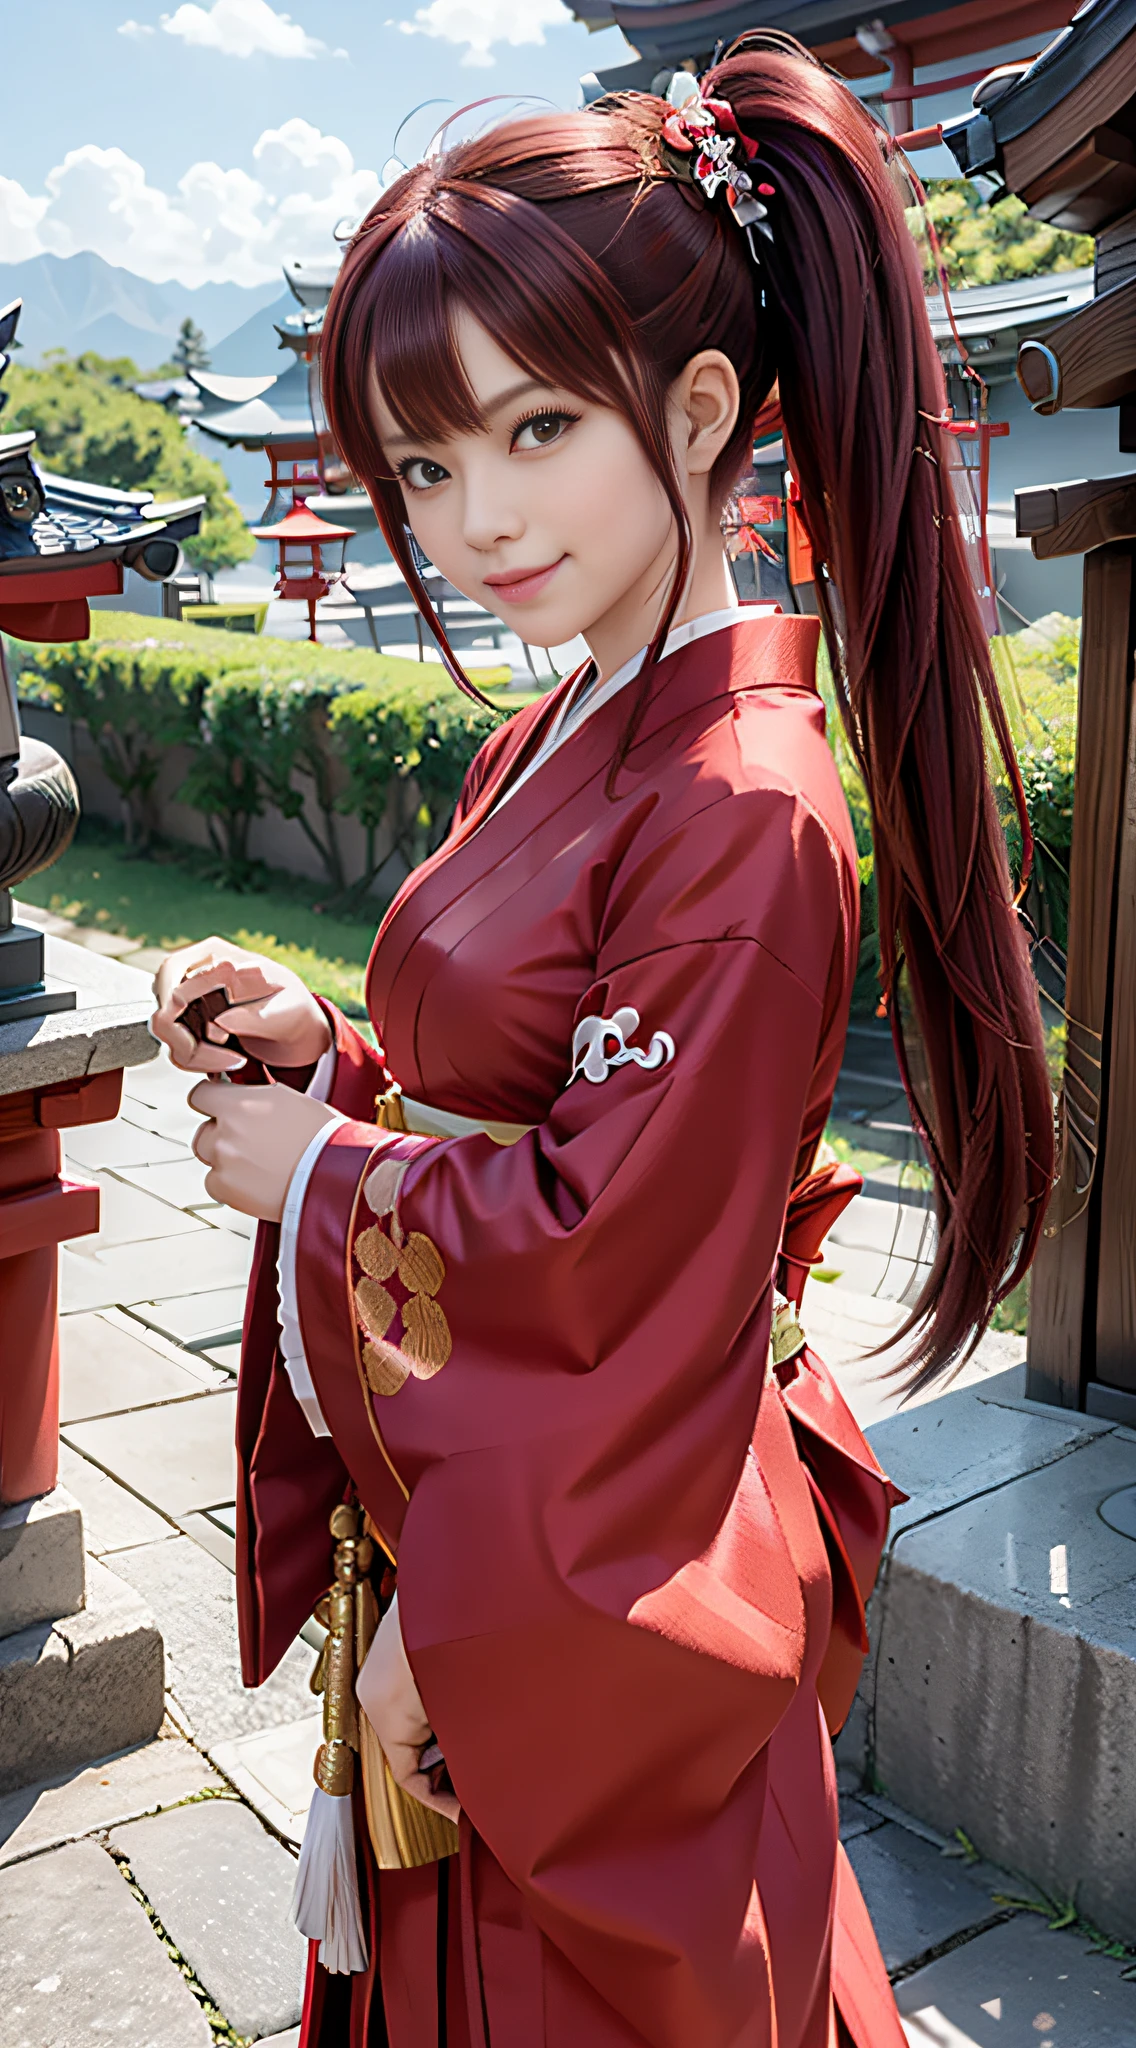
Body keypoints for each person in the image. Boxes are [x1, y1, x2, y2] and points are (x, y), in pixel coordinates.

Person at [150, 34, 1053, 2048]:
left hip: (599, 1550)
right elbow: (533, 1096)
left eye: (536, 426)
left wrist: (328, 1177)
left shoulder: (735, 799)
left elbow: (625, 1248)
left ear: (703, 404)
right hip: (533, 1497)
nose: (474, 517)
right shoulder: (568, 713)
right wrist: (338, 1057)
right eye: (427, 464)